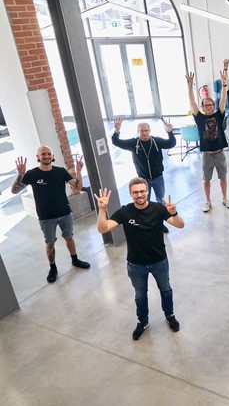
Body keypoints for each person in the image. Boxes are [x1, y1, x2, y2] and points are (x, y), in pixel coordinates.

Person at [94, 178, 185, 340]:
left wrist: (174, 213)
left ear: (147, 191)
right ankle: (142, 321)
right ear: (130, 194)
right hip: (136, 265)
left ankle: (169, 315)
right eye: (135, 192)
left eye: (142, 191)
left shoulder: (158, 208)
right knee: (140, 295)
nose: (140, 195)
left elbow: (180, 225)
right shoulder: (125, 212)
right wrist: (102, 210)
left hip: (159, 261)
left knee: (166, 290)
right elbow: (103, 228)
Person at [12, 146, 90, 283]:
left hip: (65, 213)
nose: (46, 156)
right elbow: (15, 191)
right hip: (46, 217)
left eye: (49, 153)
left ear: (52, 156)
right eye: (43, 154)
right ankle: (53, 268)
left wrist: (78, 171)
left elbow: (77, 187)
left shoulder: (61, 171)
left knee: (69, 238)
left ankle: (75, 259)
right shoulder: (31, 174)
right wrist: (20, 175)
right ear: (38, 156)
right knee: (50, 243)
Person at [111, 118, 176, 233]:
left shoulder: (156, 141)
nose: (144, 133)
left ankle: (160, 224)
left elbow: (171, 143)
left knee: (160, 202)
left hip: (158, 178)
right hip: (143, 180)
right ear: (138, 131)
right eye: (142, 131)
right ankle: (146, 224)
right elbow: (117, 142)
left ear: (150, 131)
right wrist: (117, 131)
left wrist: (170, 132)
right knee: (144, 203)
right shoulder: (134, 143)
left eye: (146, 130)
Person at [186, 68, 229, 212]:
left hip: (219, 153)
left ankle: (225, 198)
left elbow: (223, 100)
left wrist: (224, 85)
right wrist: (190, 87)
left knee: (223, 178)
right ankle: (207, 201)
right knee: (206, 180)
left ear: (213, 106)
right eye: (206, 105)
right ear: (202, 107)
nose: (209, 107)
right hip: (207, 155)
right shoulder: (199, 117)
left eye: (211, 105)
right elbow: (192, 101)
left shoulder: (219, 115)